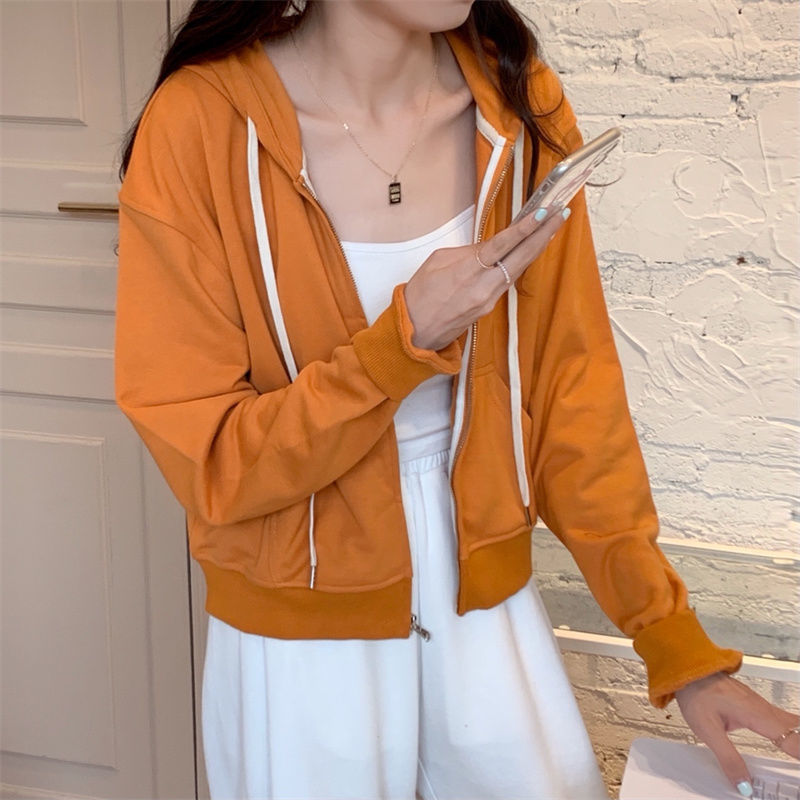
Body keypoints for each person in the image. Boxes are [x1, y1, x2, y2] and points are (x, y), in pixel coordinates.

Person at [113, 1, 800, 798]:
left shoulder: (515, 102)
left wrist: (674, 645)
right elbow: (214, 464)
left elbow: (574, 396)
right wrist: (401, 344)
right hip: (298, 634)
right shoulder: (199, 124)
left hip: (483, 599)